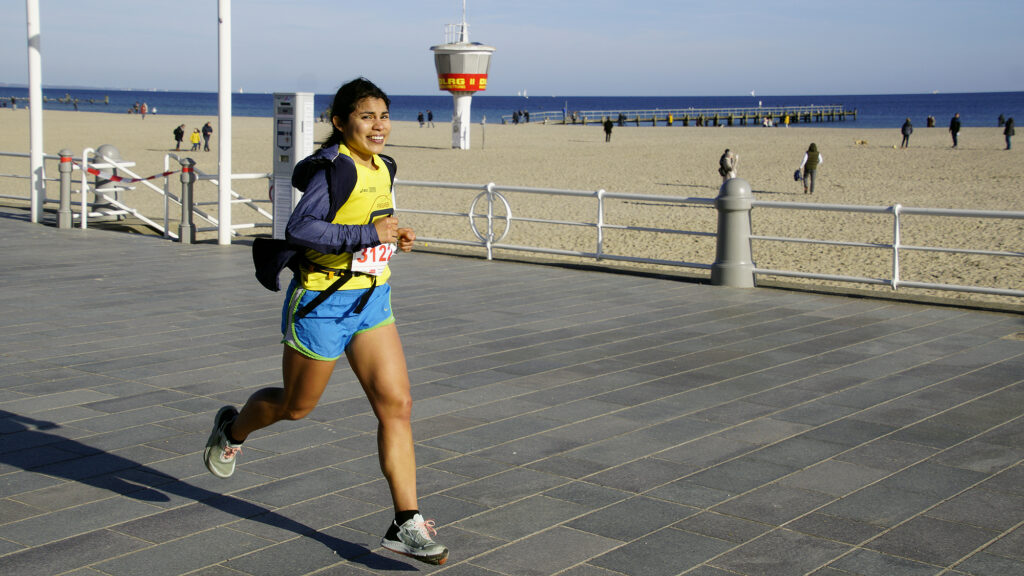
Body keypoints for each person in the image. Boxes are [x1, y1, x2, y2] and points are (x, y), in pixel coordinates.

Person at [203, 77, 448, 566]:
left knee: (397, 405)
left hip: (372, 299)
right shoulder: (331, 169)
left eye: (383, 115)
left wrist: (394, 235)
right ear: (340, 122)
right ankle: (232, 430)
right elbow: (301, 228)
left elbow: (372, 222)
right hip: (321, 304)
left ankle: (406, 522)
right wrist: (366, 231)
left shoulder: (383, 165)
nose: (378, 126)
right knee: (296, 407)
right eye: (366, 116)